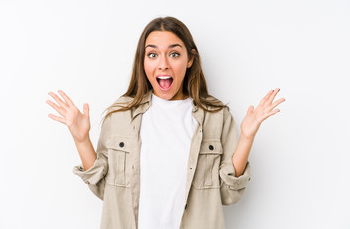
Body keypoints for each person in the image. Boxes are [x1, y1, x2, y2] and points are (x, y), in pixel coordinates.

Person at [46, 16, 285, 229]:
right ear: (143, 61)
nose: (163, 64)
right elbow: (104, 190)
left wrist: (246, 138)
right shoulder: (120, 115)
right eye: (152, 54)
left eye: (174, 53)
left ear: (190, 59)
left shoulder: (216, 116)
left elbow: (228, 195)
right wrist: (81, 139)